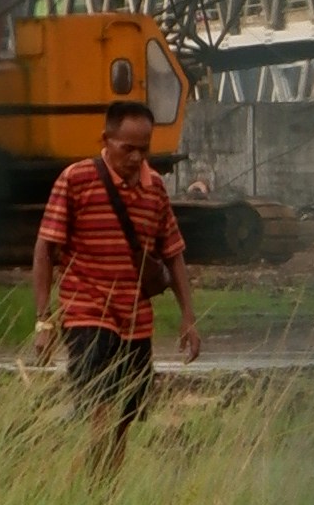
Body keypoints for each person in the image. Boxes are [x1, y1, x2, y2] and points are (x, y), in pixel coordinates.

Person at [32, 94, 200, 452]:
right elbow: (45, 249)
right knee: (99, 408)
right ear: (106, 140)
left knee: (125, 415)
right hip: (86, 312)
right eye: (128, 148)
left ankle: (108, 492)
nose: (136, 157)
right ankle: (93, 491)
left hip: (136, 319)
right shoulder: (74, 180)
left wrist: (189, 317)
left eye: (144, 148)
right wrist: (44, 321)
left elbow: (173, 254)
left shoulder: (154, 188)